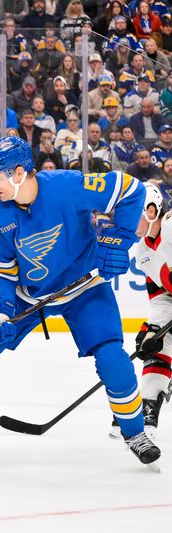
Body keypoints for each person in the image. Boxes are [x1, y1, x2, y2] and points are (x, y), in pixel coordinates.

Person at [0, 136, 160, 468]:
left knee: (113, 360)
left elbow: (131, 190)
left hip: (84, 288)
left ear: (19, 173)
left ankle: (134, 433)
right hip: (27, 296)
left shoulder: (66, 186)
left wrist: (119, 239)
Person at [126, 183, 172, 439]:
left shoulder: (171, 224)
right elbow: (161, 298)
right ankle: (149, 413)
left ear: (151, 211)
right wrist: (153, 328)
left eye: (131, 210)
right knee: (158, 344)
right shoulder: (142, 251)